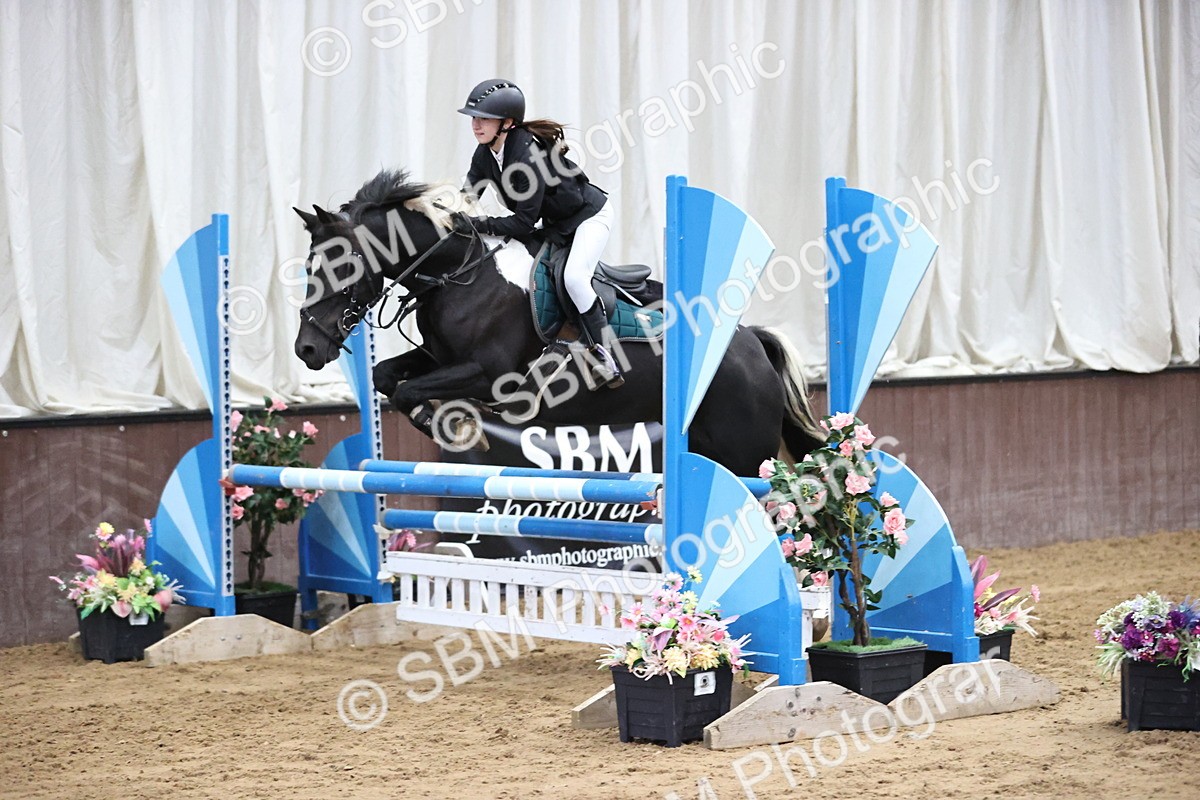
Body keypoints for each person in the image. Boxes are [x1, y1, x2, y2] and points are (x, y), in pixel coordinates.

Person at [458, 79, 622, 390]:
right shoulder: (485, 154)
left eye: (484, 118)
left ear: (507, 123)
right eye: (473, 118)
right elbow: (467, 196)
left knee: (575, 277)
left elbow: (522, 223)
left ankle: (606, 354)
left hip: (589, 216)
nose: (476, 124)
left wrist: (478, 225)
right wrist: (445, 217)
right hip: (556, 223)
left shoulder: (525, 155)